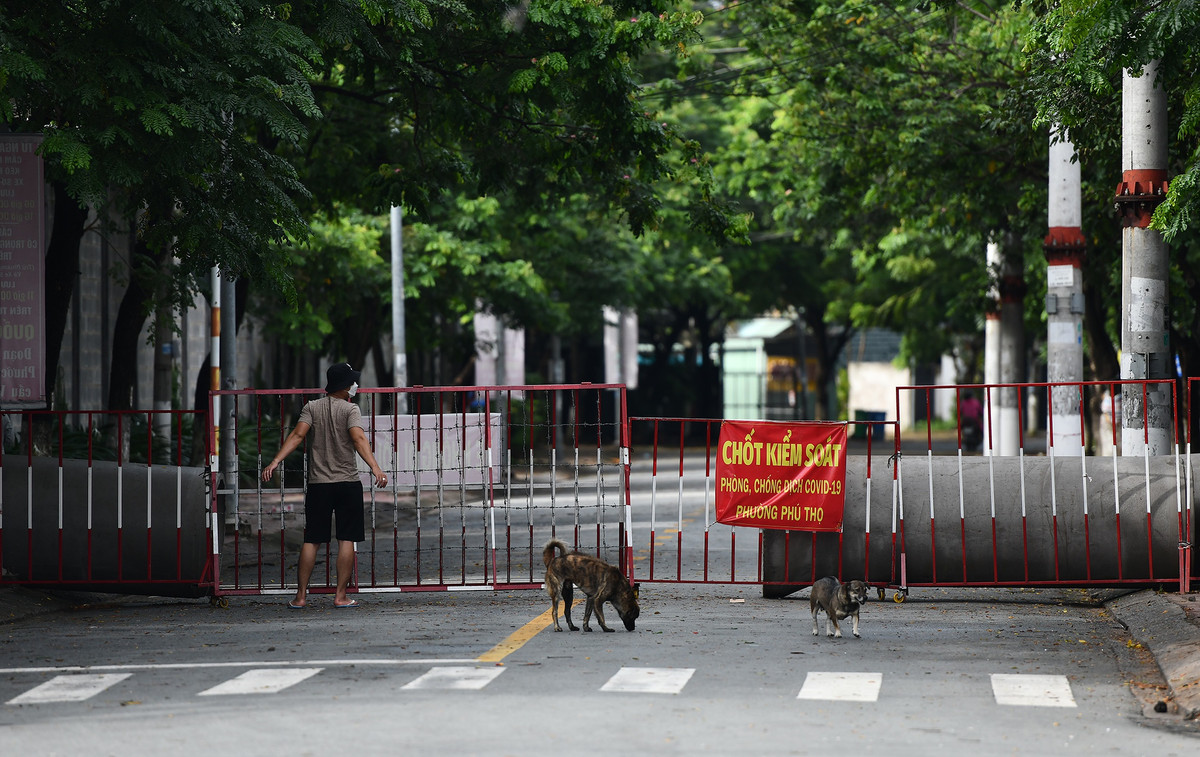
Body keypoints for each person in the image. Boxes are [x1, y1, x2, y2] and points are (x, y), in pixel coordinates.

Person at [261, 363, 387, 608]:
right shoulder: (351, 410)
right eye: (352, 381)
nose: (354, 385)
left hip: (319, 484)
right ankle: (340, 597)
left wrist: (275, 461)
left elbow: (297, 435)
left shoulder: (312, 407)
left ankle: (300, 597)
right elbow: (358, 438)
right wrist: (375, 467)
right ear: (344, 386)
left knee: (312, 540)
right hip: (347, 483)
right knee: (346, 539)